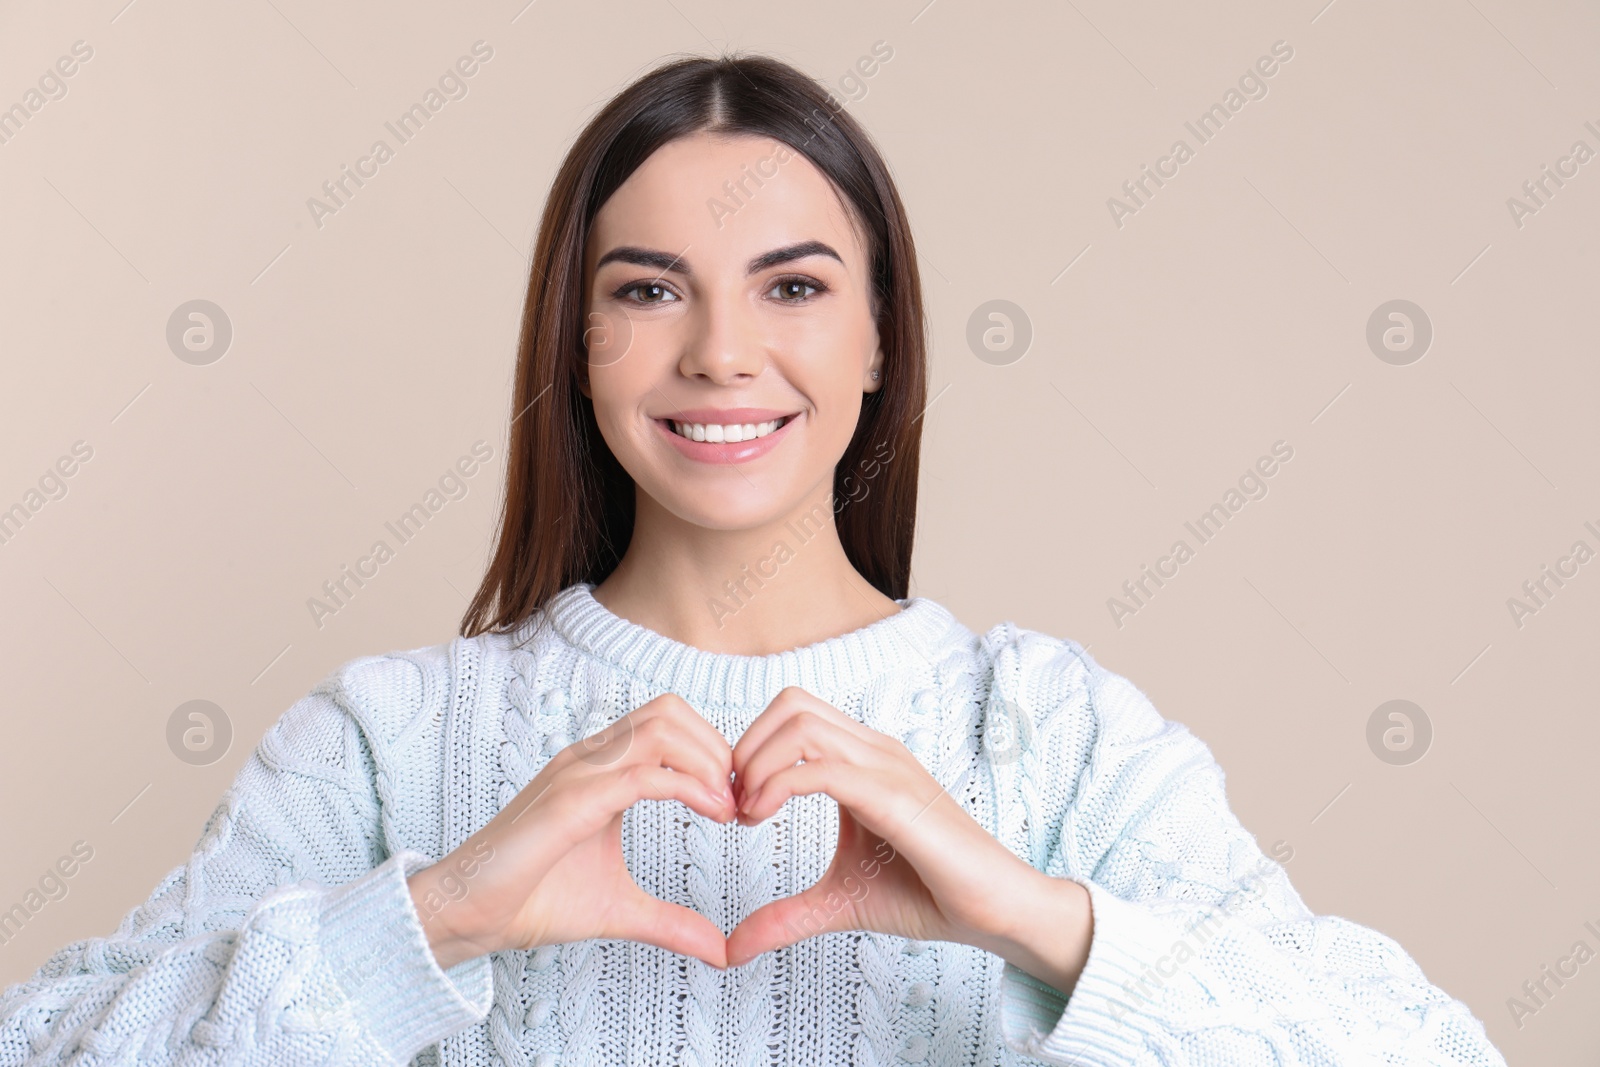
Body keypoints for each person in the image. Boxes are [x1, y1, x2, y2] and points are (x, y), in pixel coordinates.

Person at [0, 52, 1506, 1067]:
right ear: (579, 347)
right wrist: (433, 917)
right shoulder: (386, 745)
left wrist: (1034, 922)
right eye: (649, 289)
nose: (722, 353)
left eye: (793, 286)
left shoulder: (1050, 737)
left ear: (878, 341)